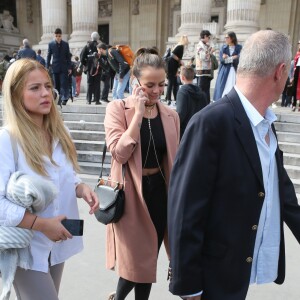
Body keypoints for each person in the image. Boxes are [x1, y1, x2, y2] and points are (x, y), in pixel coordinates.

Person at [168, 30, 300, 300]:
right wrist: (189, 286)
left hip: (238, 271)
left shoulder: (265, 124)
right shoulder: (211, 123)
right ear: (281, 71)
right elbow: (184, 209)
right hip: (211, 278)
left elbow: (281, 191)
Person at [0, 58, 99, 300]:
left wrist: (80, 187)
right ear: (15, 95)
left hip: (58, 241)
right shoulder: (7, 140)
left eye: (47, 85)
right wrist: (42, 225)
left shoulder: (58, 131)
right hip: (26, 246)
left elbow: (62, 173)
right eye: (34, 88)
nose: (46, 93)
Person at [104, 47, 180, 300]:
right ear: (135, 81)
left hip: (159, 191)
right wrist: (137, 115)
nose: (157, 91)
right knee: (136, 259)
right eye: (149, 85)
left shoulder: (170, 115)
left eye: (161, 84)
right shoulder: (117, 109)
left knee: (148, 256)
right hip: (130, 194)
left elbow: (175, 160)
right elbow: (120, 153)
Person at [176, 65, 207, 139]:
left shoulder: (182, 92)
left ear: (182, 77)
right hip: (199, 130)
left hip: (185, 132)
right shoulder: (202, 93)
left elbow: (180, 114)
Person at [213, 31, 242, 101]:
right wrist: (233, 58)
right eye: (225, 37)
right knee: (223, 88)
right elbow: (222, 61)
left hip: (236, 71)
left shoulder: (239, 47)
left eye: (227, 37)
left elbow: (240, 59)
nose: (225, 39)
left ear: (232, 38)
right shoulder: (223, 48)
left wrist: (228, 58)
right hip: (225, 71)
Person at [46, 28, 72, 106]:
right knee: (56, 85)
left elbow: (68, 56)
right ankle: (58, 99)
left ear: (61, 36)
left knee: (64, 84)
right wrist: (47, 66)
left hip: (64, 67)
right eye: (56, 36)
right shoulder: (51, 44)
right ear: (55, 36)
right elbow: (48, 56)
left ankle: (65, 98)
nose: (58, 37)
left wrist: (69, 67)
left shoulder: (65, 44)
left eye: (59, 36)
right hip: (55, 67)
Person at [165, 35, 189, 106]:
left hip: (171, 66)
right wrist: (180, 61)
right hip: (172, 66)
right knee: (172, 82)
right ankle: (170, 98)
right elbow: (173, 55)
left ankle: (171, 98)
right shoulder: (181, 46)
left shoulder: (178, 45)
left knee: (173, 82)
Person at [79, 32, 102, 105]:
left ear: (91, 37)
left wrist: (86, 65)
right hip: (98, 68)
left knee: (89, 84)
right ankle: (97, 100)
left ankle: (88, 100)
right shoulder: (99, 46)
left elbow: (81, 57)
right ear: (98, 38)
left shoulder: (87, 46)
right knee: (97, 84)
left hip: (90, 69)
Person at [195, 30, 216, 103]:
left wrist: (211, 48)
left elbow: (212, 48)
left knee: (206, 90)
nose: (209, 39)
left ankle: (206, 105)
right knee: (202, 90)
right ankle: (201, 106)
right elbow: (204, 57)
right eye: (208, 37)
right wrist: (211, 52)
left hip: (207, 71)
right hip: (202, 72)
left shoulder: (205, 45)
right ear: (205, 36)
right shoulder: (200, 46)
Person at [291, 42, 300, 111]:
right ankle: (294, 104)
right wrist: (292, 76)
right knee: (294, 87)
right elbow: (294, 64)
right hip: (297, 69)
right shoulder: (298, 53)